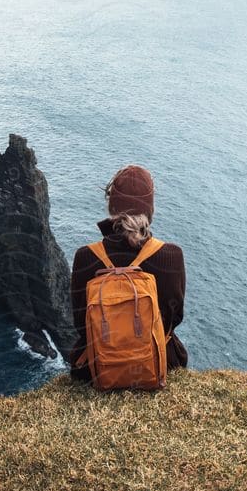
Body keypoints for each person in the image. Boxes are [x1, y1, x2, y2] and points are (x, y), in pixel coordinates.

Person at [68, 163, 186, 382]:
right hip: (159, 363)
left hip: (96, 369)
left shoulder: (85, 256)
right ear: (150, 209)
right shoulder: (172, 256)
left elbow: (80, 322)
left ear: (112, 208)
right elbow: (175, 317)